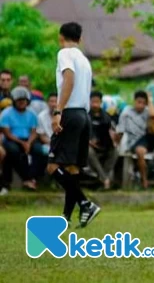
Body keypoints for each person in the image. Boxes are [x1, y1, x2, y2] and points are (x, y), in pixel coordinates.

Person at [47, 22, 100, 228]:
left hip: (69, 113)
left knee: (53, 166)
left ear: (61, 37)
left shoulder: (65, 54)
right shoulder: (84, 60)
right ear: (80, 38)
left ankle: (85, 203)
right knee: (72, 168)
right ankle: (66, 218)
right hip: (83, 116)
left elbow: (69, 79)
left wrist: (58, 110)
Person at [116, 91, 154, 189]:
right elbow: (120, 130)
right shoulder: (127, 112)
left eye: (143, 103)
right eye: (139, 102)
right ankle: (144, 180)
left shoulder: (147, 111)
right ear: (134, 101)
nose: (140, 105)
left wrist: (149, 101)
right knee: (140, 151)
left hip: (146, 138)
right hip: (133, 141)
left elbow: (153, 115)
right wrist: (117, 145)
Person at [0, 87, 40, 192]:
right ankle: (26, 179)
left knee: (39, 150)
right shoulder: (6, 113)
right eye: (19, 100)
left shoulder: (32, 114)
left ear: (28, 101)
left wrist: (29, 143)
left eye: (24, 100)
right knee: (13, 151)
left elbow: (34, 131)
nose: (22, 102)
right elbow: (6, 132)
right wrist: (22, 143)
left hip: (28, 139)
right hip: (12, 139)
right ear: (14, 101)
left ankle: (34, 178)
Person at [88, 91, 118, 190]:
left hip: (105, 145)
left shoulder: (107, 117)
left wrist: (113, 140)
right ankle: (105, 179)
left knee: (115, 151)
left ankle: (102, 178)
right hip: (91, 146)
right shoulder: (86, 116)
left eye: (97, 102)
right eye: (93, 102)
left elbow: (112, 131)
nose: (95, 104)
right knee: (89, 152)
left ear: (101, 102)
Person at [37, 93, 58, 158]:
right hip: (47, 144)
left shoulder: (64, 116)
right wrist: (53, 145)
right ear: (47, 102)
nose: (53, 104)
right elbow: (42, 136)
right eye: (51, 101)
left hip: (62, 144)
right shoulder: (41, 116)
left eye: (56, 101)